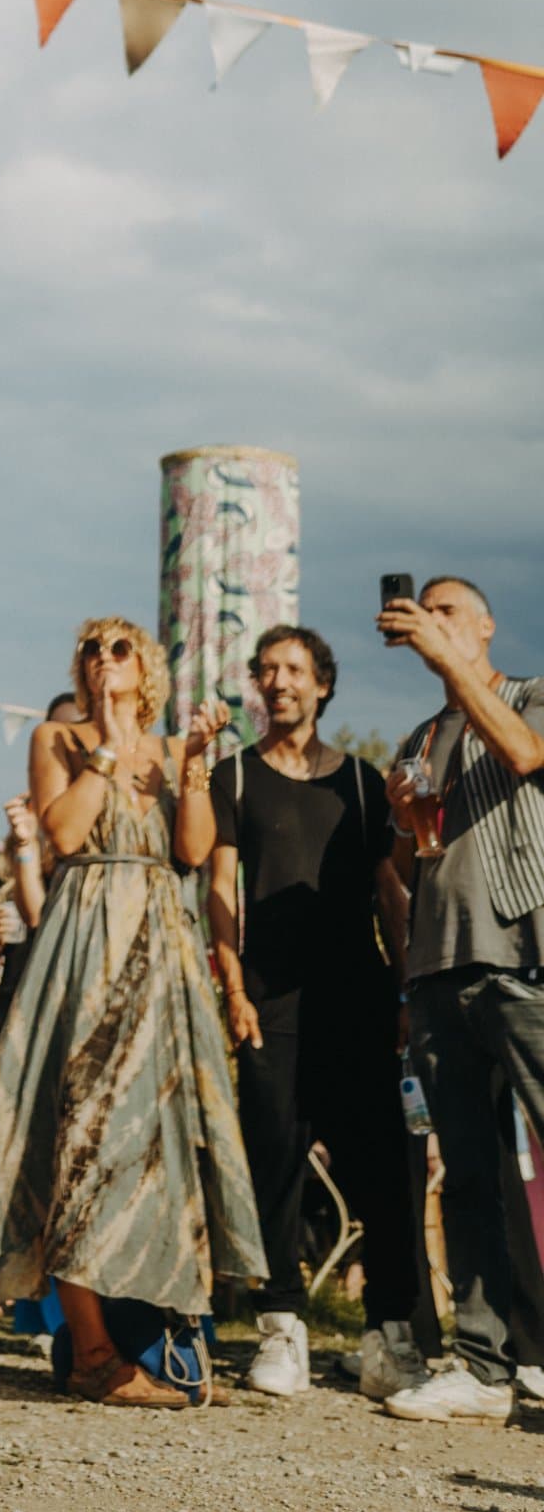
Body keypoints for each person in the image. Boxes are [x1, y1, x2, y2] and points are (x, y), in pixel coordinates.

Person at [0, 617, 265, 1409]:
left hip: (160, 942)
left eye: (118, 648)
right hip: (86, 934)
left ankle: (165, 1348)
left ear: (146, 665)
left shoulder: (167, 750)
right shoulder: (57, 738)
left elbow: (191, 853)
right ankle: (91, 1354)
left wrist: (192, 766)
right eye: (92, 648)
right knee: (83, 1129)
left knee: (160, 1138)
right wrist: (105, 744)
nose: (103, 658)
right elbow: (59, 834)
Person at [207, 624, 424, 1405]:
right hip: (271, 999)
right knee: (274, 1160)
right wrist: (233, 987)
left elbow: (389, 893)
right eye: (267, 670)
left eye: (294, 669)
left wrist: (404, 988)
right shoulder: (233, 778)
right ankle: (281, 1328)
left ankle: (388, 1338)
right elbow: (219, 892)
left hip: (359, 996)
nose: (279, 681)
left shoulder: (363, 784)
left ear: (322, 685)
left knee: (379, 1166)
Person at [375, 577, 544, 1424]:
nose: (433, 623)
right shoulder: (417, 736)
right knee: (469, 1174)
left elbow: (523, 753)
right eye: (426, 612)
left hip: (526, 957)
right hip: (440, 967)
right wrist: (408, 825)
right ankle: (482, 1367)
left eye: (449, 611)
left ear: (484, 624)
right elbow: (418, 863)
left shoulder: (531, 696)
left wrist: (449, 664)